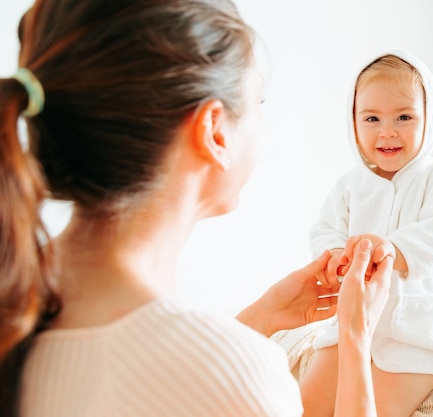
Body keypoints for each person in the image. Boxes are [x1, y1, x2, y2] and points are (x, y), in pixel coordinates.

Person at [0, 1, 392, 416]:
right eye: (259, 101)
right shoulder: (236, 377)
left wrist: (259, 318)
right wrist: (354, 334)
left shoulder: (16, 311)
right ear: (214, 132)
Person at [300, 50, 433, 417]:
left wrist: (393, 249)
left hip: (417, 331)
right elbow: (326, 229)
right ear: (353, 122)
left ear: (429, 119)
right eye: (372, 118)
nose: (388, 130)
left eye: (404, 116)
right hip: (349, 321)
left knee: (377, 409)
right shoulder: (350, 185)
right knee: (307, 408)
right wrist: (335, 256)